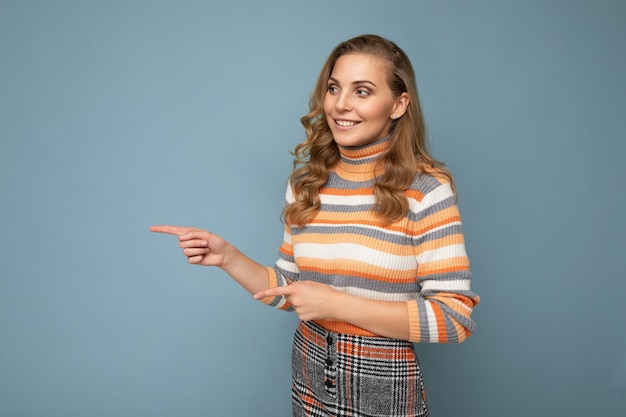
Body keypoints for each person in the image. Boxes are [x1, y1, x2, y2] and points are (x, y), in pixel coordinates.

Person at [151, 34, 479, 417]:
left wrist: (337, 303)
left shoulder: (426, 189)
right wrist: (229, 258)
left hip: (381, 382)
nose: (341, 105)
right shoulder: (306, 184)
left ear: (398, 104)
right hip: (308, 371)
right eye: (334, 88)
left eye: (362, 92)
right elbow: (291, 292)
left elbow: (454, 319)